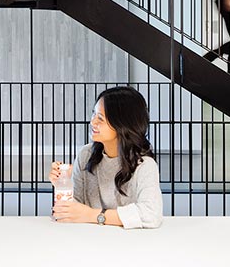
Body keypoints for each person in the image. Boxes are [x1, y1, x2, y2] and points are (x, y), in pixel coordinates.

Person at [48, 86, 163, 229]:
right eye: (93, 114)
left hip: (130, 244)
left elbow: (151, 214)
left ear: (122, 124)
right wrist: (63, 184)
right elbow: (73, 211)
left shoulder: (144, 165)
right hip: (88, 241)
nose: (93, 122)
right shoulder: (86, 155)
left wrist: (94, 215)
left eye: (100, 118)